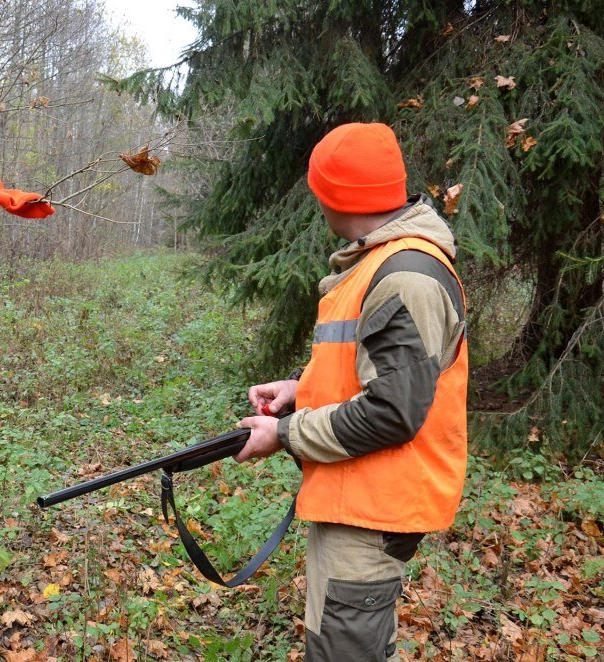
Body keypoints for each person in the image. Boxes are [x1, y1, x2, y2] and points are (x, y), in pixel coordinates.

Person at [233, 122, 468, 661]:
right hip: (357, 502)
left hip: (372, 514)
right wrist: (300, 388)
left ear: (340, 198)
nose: (318, 205)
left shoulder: (405, 275)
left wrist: (285, 433)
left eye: (321, 193)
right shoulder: (381, 264)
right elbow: (375, 374)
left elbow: (392, 412)